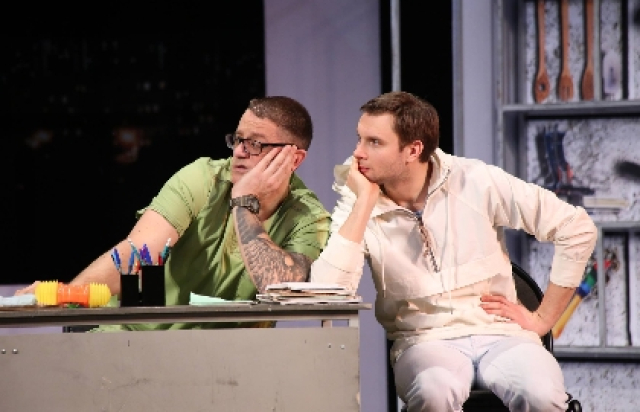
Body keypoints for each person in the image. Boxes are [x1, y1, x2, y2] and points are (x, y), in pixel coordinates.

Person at [310, 91, 597, 411]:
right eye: (359, 139)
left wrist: (543, 319)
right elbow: (327, 294)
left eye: (374, 142)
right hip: (423, 340)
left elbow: (576, 228)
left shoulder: (475, 180)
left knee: (541, 394)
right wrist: (364, 202)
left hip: (501, 333)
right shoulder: (357, 201)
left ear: (413, 150)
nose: (357, 153)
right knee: (435, 392)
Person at [17, 96, 331, 330]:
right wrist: (67, 294)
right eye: (238, 140)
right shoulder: (204, 177)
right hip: (140, 337)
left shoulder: (307, 217)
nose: (239, 152)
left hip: (228, 362)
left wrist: (244, 203)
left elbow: (280, 286)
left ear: (294, 159)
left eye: (256, 144)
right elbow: (139, 251)